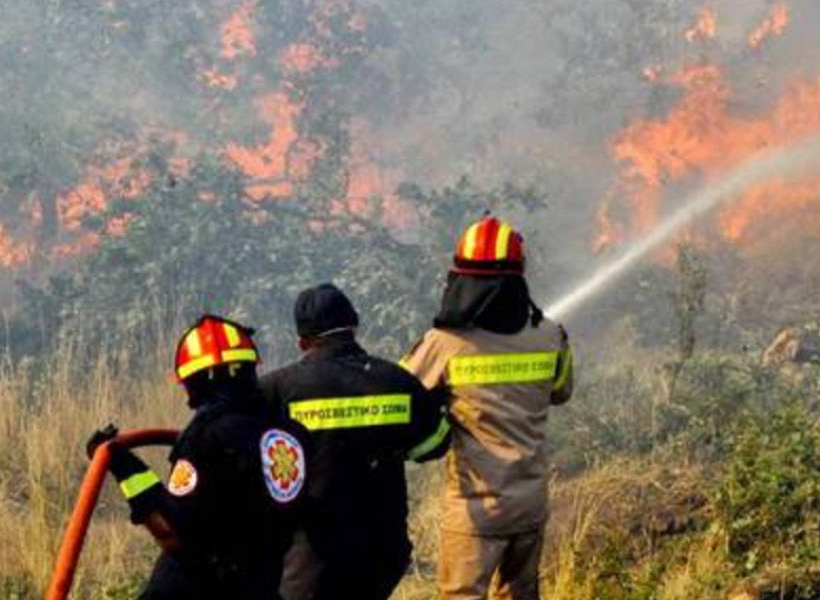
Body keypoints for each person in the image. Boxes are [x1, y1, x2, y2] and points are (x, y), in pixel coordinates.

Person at [401, 216, 575, 600]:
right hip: (530, 503)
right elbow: (561, 391)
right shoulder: (550, 335)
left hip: (475, 510)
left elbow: (400, 396)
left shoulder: (444, 343)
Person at [86, 314, 309, 600]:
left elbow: (172, 534)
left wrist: (121, 463)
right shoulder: (291, 435)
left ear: (195, 381)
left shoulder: (206, 436)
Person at [261, 283, 450, 600]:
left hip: (311, 555)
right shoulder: (397, 381)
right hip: (382, 549)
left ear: (302, 341)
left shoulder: (276, 389)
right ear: (353, 328)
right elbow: (434, 445)